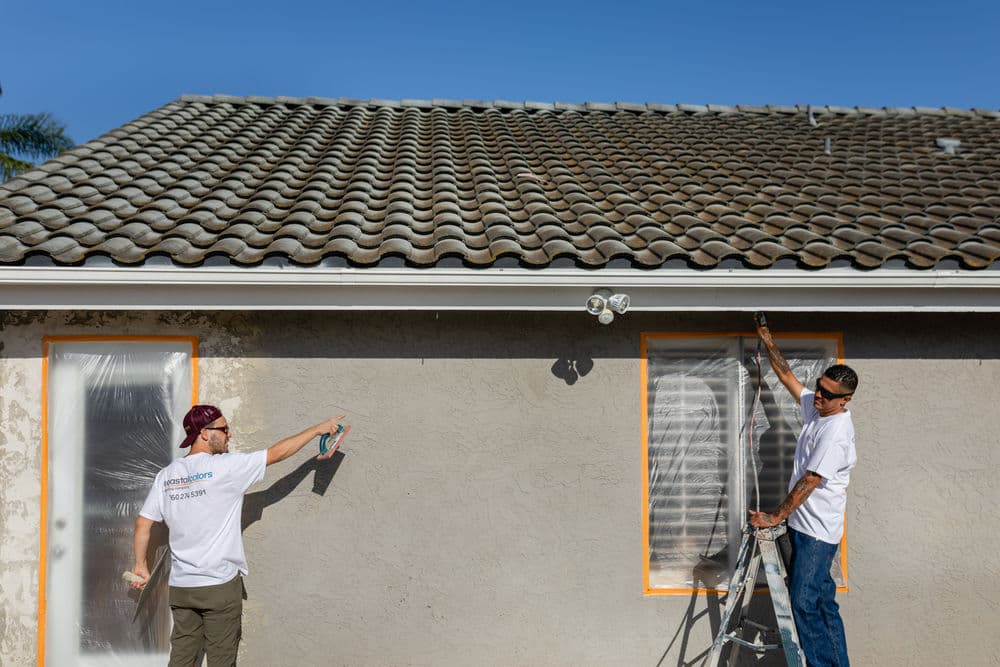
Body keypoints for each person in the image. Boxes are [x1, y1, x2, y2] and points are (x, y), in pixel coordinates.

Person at [130, 404, 349, 666]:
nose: (229, 435)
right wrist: (316, 430)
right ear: (204, 433)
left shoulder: (167, 476)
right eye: (224, 429)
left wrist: (141, 566)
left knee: (181, 659)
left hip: (182, 587)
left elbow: (143, 523)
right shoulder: (226, 467)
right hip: (218, 586)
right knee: (222, 660)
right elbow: (277, 454)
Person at [748, 315, 857, 667]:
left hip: (817, 534)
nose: (819, 397)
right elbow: (787, 378)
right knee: (822, 603)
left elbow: (810, 480)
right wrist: (768, 340)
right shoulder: (818, 408)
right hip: (802, 527)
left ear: (846, 400)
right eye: (819, 388)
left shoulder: (836, 432)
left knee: (804, 603)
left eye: (828, 395)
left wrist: (774, 516)